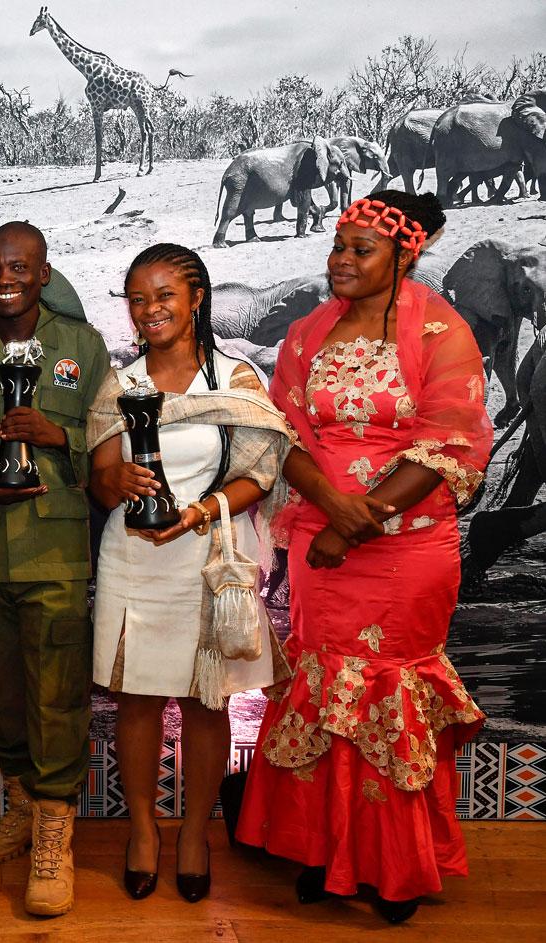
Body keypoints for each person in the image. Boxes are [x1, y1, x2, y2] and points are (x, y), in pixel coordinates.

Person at [236, 192, 491, 924]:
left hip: (407, 548)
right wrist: (336, 511)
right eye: (337, 245)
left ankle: (394, 864)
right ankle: (326, 850)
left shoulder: (442, 330)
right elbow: (284, 430)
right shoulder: (308, 332)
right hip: (323, 543)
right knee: (324, 684)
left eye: (360, 250)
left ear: (405, 254)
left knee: (388, 688)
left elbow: (452, 441)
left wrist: (360, 520)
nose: (340, 260)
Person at [86, 243, 292, 905]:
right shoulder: (120, 384)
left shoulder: (235, 379)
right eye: (139, 298)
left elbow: (259, 473)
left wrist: (203, 509)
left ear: (196, 298)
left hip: (206, 559)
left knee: (209, 703)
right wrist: (112, 479)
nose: (150, 310)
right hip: (134, 557)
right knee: (138, 699)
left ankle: (196, 833)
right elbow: (99, 476)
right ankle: (144, 829)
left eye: (164, 295)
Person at [0, 221, 108, 916]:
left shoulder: (83, 347)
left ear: (42, 273)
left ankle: (54, 839)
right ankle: (22, 809)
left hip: (57, 553)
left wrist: (57, 434)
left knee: (57, 694)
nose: (4, 277)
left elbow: (116, 440)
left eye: (19, 266)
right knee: (0, 694)